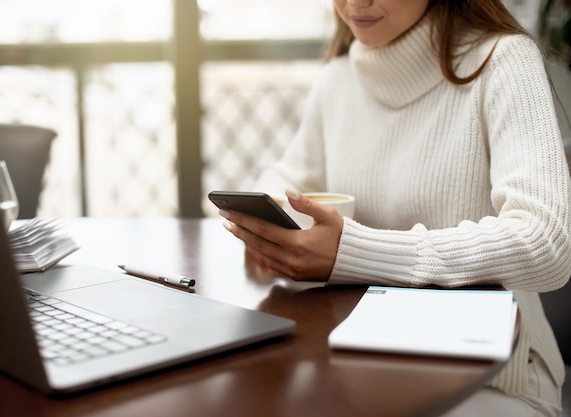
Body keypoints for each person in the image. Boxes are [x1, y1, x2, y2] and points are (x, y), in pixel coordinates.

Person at [217, 0, 571, 415]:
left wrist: (351, 252)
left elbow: (546, 244)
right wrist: (270, 229)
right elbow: (285, 180)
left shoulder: (502, 61)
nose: (355, 4)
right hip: (363, 364)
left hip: (496, 379)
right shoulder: (338, 79)